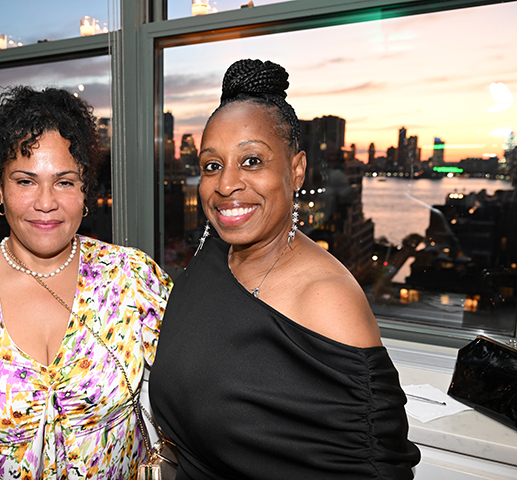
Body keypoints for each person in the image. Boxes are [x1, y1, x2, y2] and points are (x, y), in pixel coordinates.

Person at [150, 59, 420, 479]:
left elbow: (376, 466)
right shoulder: (212, 258)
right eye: (212, 165)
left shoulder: (327, 298)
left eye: (251, 161)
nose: (225, 184)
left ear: (296, 170)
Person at [0, 86, 172, 480]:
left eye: (64, 182)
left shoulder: (132, 280)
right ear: (0, 188)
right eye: (26, 181)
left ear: (85, 190)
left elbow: (192, 400)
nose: (46, 202)